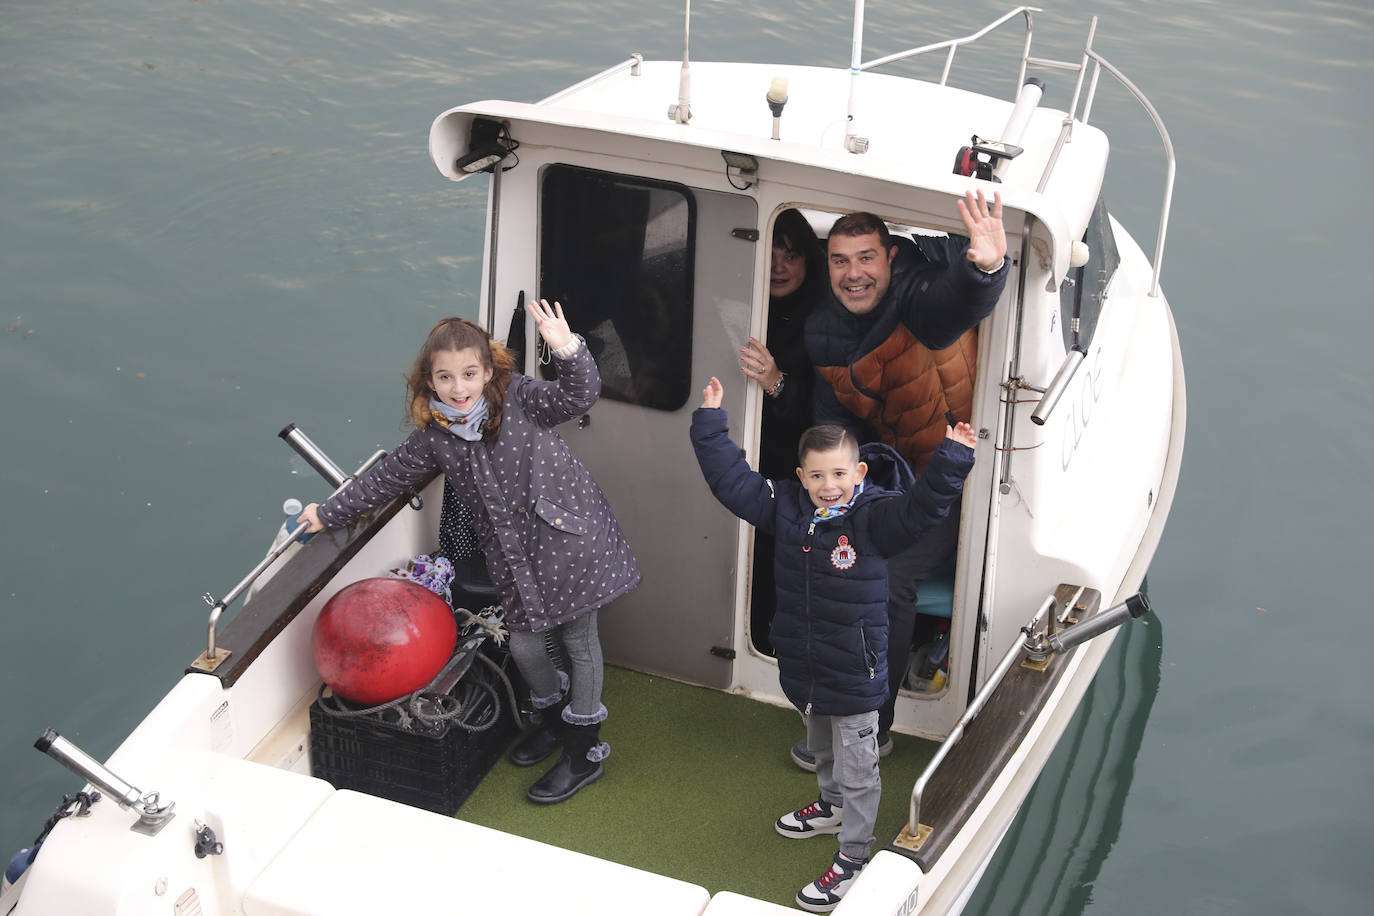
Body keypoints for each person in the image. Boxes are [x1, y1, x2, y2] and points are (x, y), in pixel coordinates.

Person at [299, 300, 640, 805]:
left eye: (469, 374)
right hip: (515, 560)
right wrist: (328, 513)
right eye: (445, 377)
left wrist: (567, 347)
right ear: (429, 382)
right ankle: (554, 721)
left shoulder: (521, 397)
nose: (459, 388)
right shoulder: (435, 437)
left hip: (569, 543)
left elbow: (578, 395)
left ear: (488, 371)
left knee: (579, 642)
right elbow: (386, 478)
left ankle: (582, 752)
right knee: (526, 648)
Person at [690, 376, 976, 913]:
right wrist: (710, 422)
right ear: (801, 477)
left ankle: (855, 856)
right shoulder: (785, 506)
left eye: (840, 474)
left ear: (859, 473)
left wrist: (953, 457)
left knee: (859, 768)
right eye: (818, 475)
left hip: (855, 669)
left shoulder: (875, 519)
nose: (829, 486)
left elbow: (921, 511)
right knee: (819, 744)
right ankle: (830, 805)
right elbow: (732, 482)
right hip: (807, 664)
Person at [792, 190, 1009, 770]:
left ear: (891, 257)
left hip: (961, 476)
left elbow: (950, 308)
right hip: (898, 477)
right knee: (830, 557)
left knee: (887, 580)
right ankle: (829, 704)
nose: (853, 273)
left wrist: (985, 267)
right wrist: (833, 495)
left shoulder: (916, 295)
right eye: (840, 261)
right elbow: (834, 425)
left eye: (867, 258)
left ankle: (873, 728)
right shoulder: (823, 331)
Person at [737, 208, 825, 654]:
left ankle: (769, 646)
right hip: (740, 445)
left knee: (779, 559)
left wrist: (776, 381)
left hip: (794, 465)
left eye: (790, 256)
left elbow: (821, 412)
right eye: (770, 254)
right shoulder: (739, 299)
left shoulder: (823, 320)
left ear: (808, 260)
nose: (777, 267)